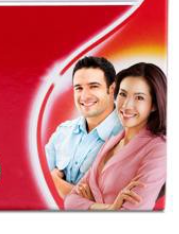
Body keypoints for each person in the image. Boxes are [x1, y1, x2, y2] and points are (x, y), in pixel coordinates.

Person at [65, 62, 167, 211]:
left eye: (139, 98)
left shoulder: (159, 150)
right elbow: (70, 201)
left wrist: (90, 206)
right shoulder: (112, 141)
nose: (126, 105)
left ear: (154, 105)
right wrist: (110, 208)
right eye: (123, 94)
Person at [45, 56, 122, 199]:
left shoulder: (127, 136)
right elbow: (36, 179)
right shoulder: (63, 132)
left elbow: (106, 203)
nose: (85, 96)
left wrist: (54, 180)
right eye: (79, 88)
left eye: (94, 86)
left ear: (112, 89)